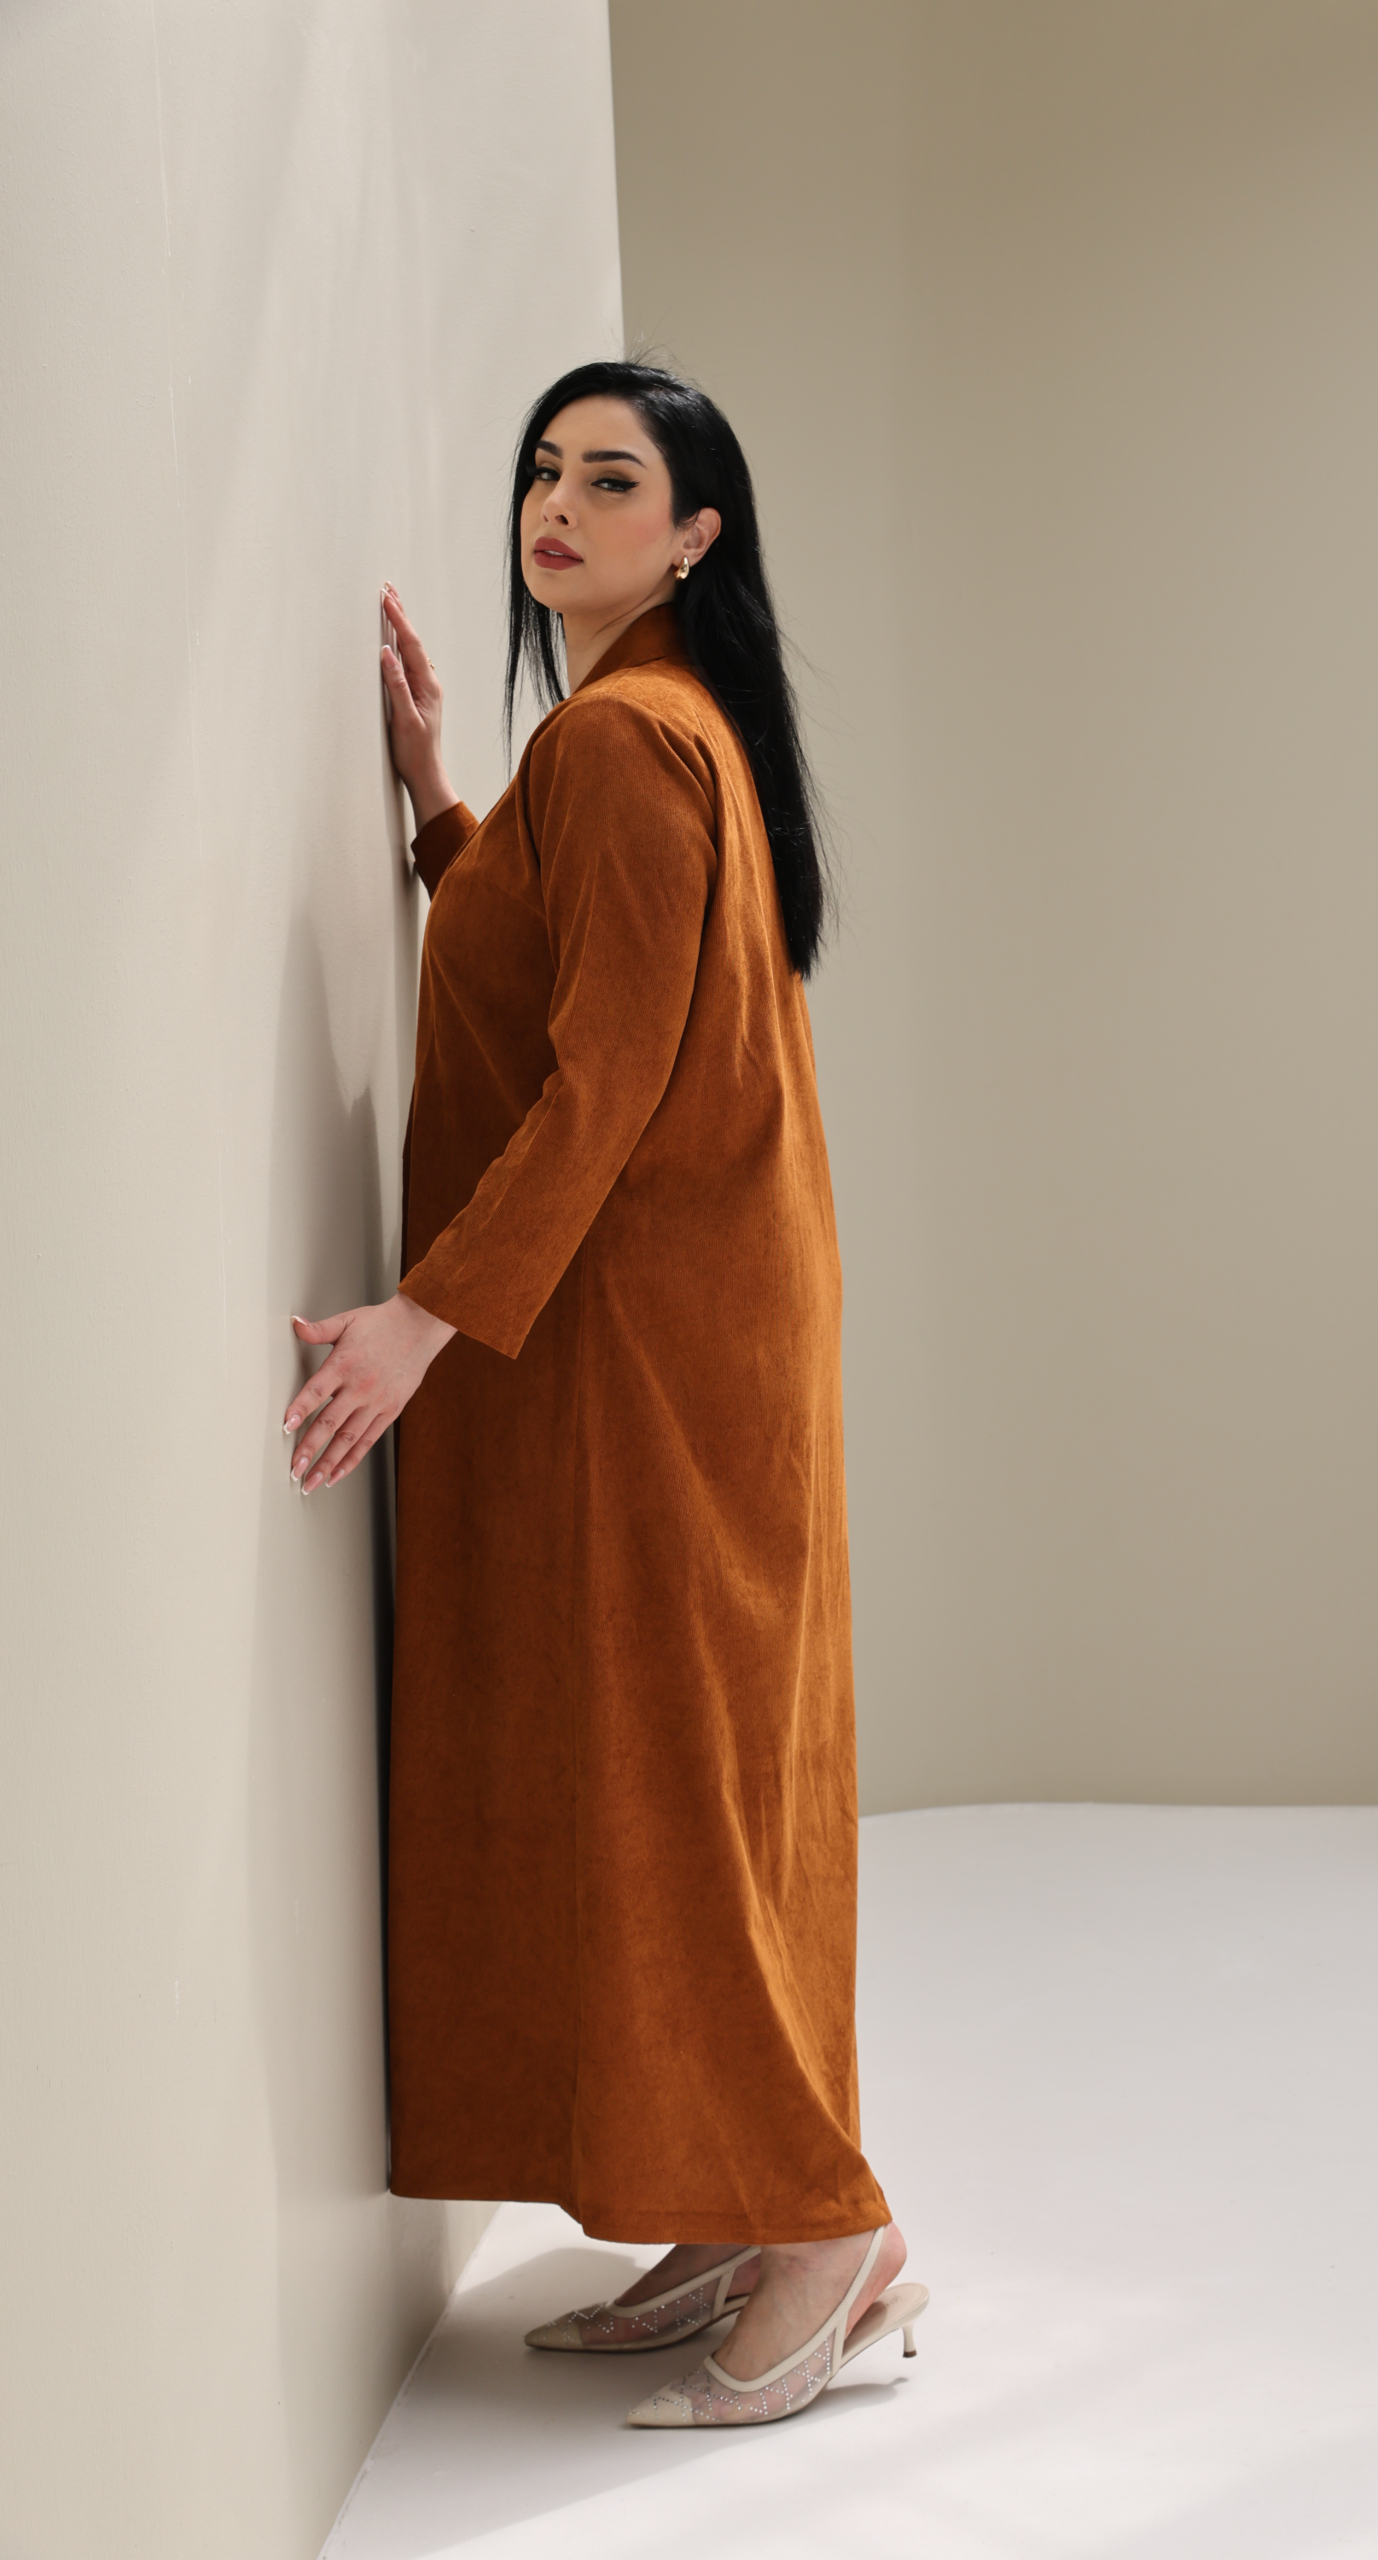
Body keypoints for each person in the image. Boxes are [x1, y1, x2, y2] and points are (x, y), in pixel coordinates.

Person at [281, 361, 926, 2427]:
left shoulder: (632, 738)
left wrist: (420, 1319)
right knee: (677, 1773)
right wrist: (438, 808)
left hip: (640, 1355)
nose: (557, 505)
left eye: (613, 480)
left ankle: (822, 2227)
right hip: (669, 1338)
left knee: (670, 1784)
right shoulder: (646, 734)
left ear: (694, 535)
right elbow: (577, 964)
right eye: (544, 471)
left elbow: (609, 1075)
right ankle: (736, 2204)